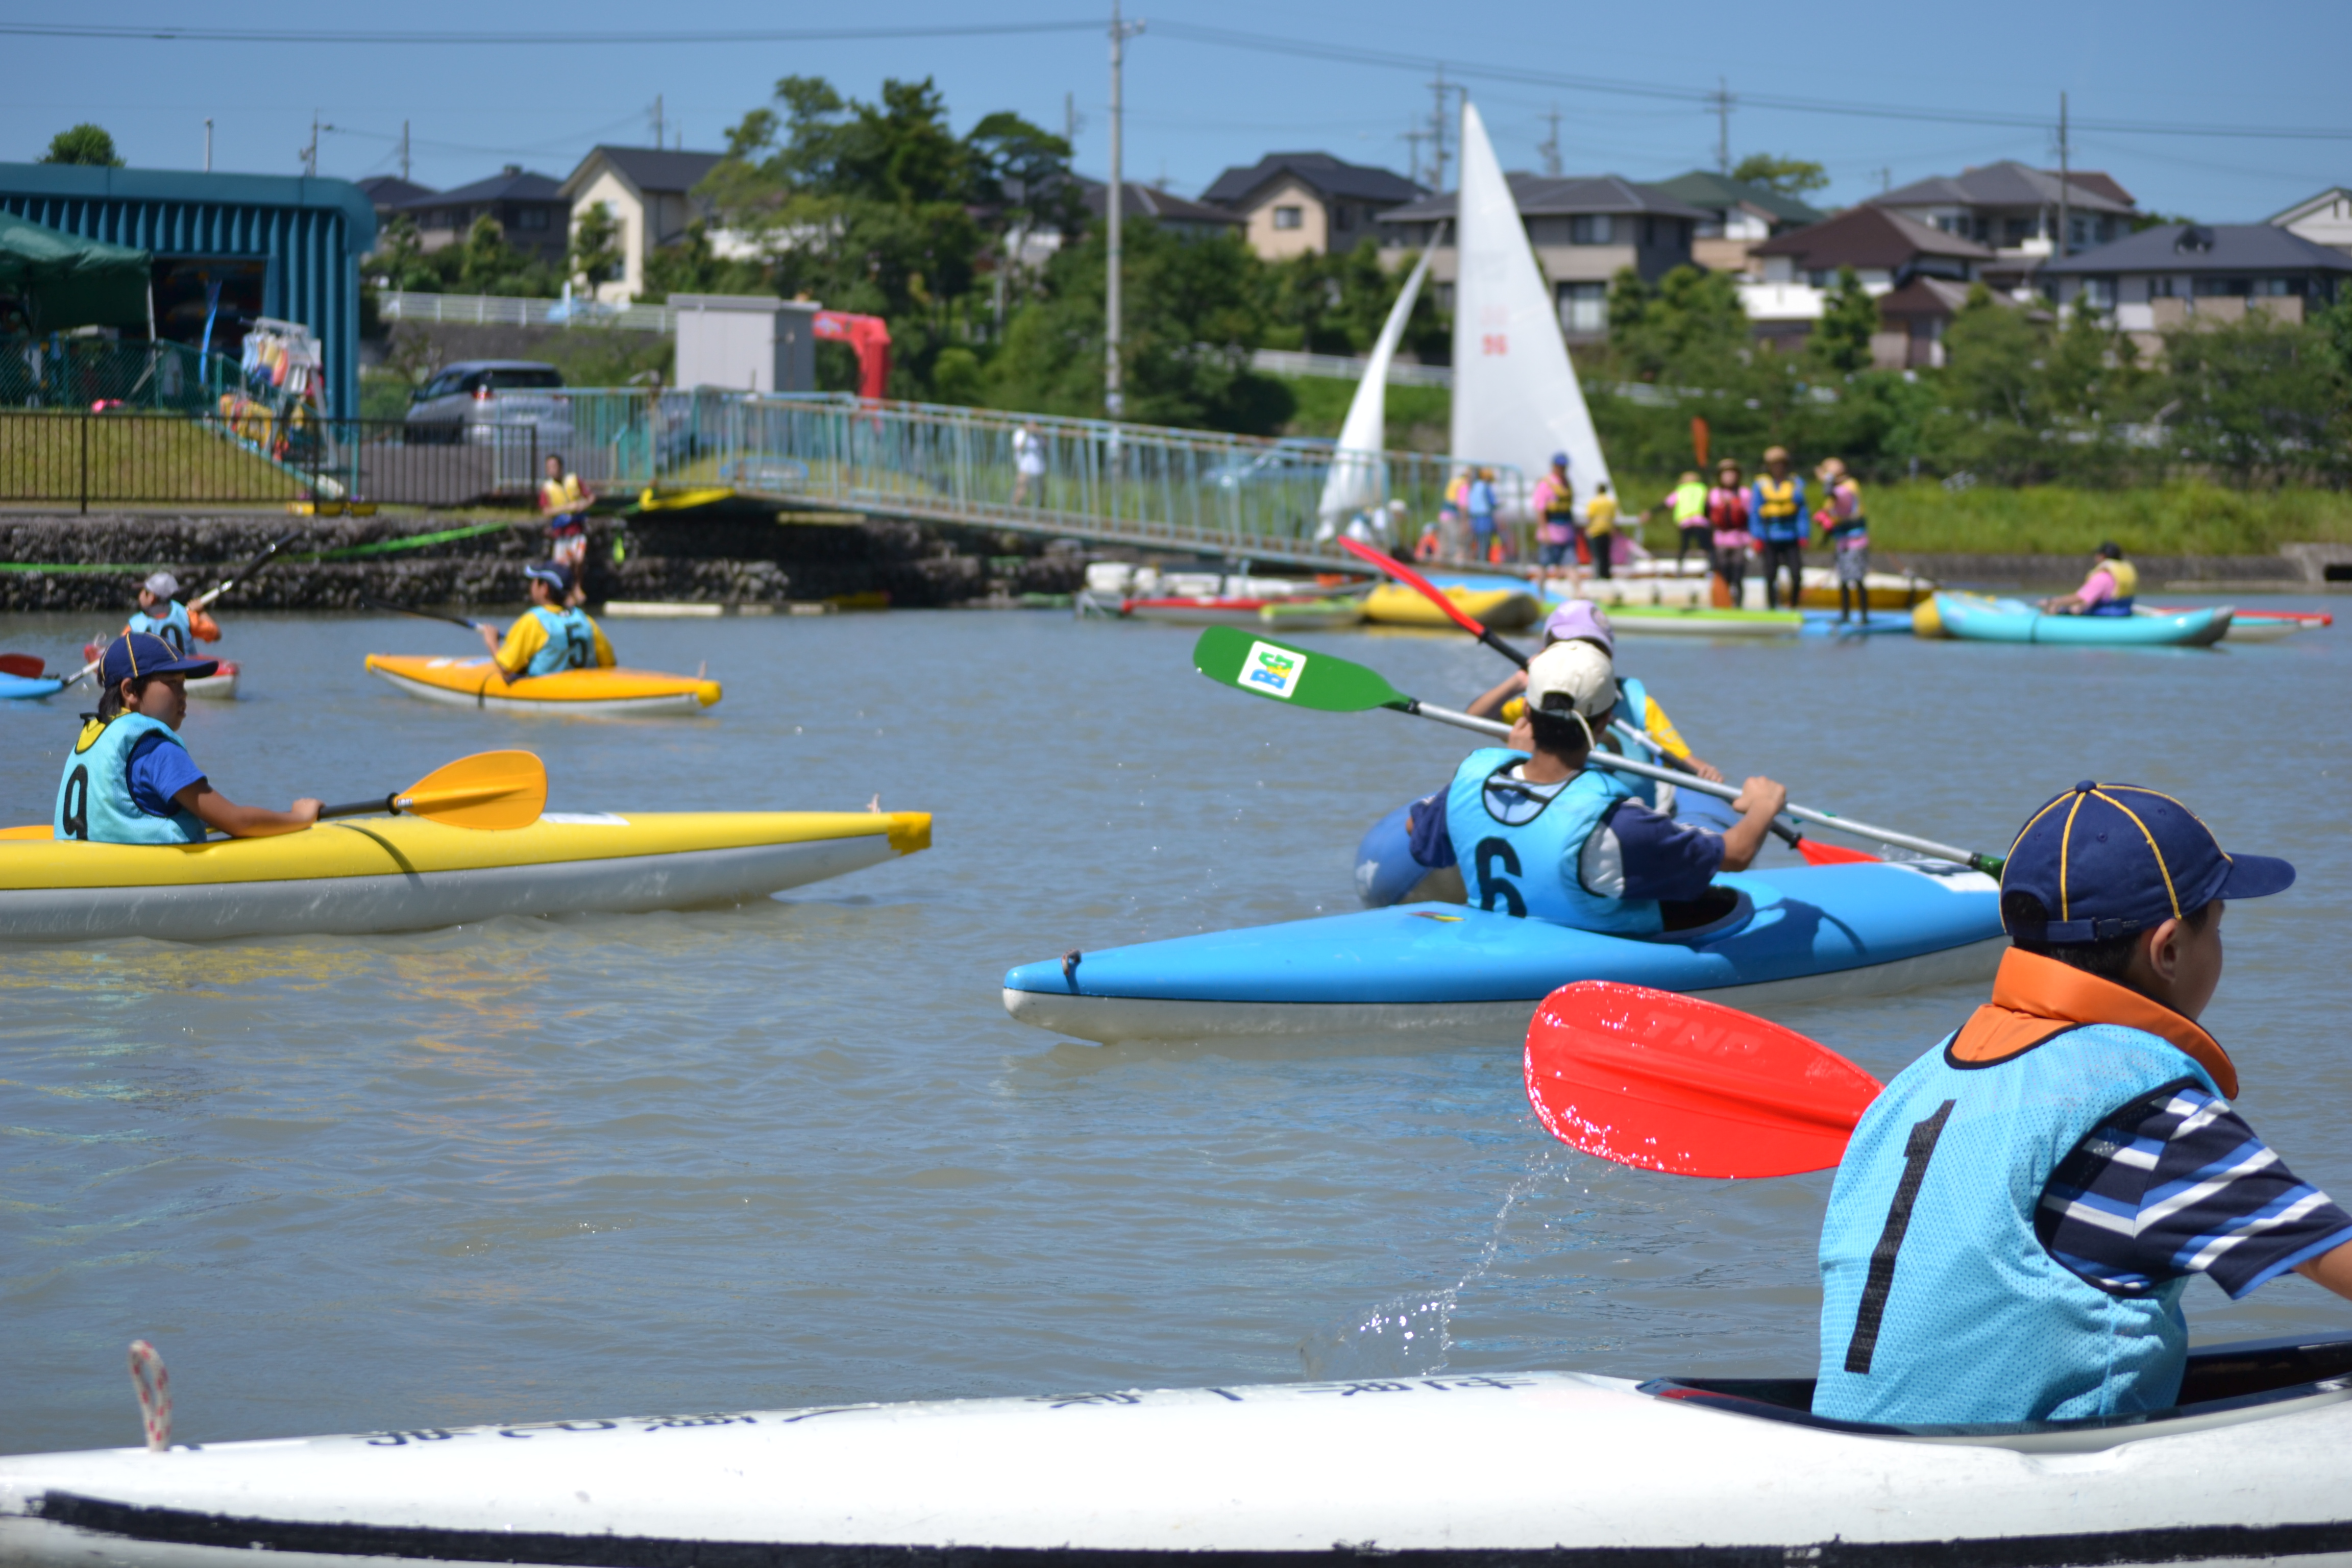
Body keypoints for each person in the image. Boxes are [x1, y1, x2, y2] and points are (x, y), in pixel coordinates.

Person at [1812, 783, 2349, 1427]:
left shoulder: (1910, 1088)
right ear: (2170, 949)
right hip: (2003, 1490)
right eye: (2219, 930)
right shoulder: (2150, 1118)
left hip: (1849, 1452)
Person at [1412, 640, 1786, 931]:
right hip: (1592, 968)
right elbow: (1736, 854)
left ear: (1526, 711)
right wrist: (1764, 805)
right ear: (1605, 722)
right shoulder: (1615, 824)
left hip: (1494, 946)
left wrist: (1513, 762)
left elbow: (1417, 828)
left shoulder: (1472, 778)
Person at [55, 633, 321, 845]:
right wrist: (298, 816)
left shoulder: (96, 735)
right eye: (173, 683)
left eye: (184, 684)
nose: (184, 695)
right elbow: (238, 822)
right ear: (130, 691)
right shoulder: (154, 749)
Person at [1467, 600, 1727, 790]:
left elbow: (1683, 758)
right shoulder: (1542, 701)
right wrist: (1518, 682)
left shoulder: (1637, 703)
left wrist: (1704, 773)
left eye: (1592, 649)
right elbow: (1475, 718)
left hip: (1630, 818)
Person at [478, 561, 615, 681]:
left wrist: (493, 642)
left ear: (544, 589)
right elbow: (609, 663)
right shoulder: (586, 620)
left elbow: (505, 668)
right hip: (584, 687)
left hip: (548, 690)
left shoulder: (533, 621)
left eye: (535, 581)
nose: (531, 585)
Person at [1749, 446, 1809, 611]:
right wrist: (1757, 537)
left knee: (1796, 575)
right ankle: (1772, 608)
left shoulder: (1795, 484)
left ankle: (1794, 607)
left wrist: (1804, 534)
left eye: (1780, 464)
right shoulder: (1760, 485)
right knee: (1770, 575)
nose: (1778, 468)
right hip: (1769, 536)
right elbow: (1755, 513)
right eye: (1774, 464)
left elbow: (1802, 512)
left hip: (1791, 536)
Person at [1812, 457, 1870, 624]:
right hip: (1842, 541)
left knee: (1857, 578)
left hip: (1856, 540)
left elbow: (1830, 492)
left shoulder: (1849, 486)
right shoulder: (1838, 489)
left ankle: (1864, 616)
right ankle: (1845, 615)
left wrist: (1827, 478)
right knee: (1843, 579)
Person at [123, 571, 218, 658]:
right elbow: (216, 634)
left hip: (153, 675)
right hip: (184, 673)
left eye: (143, 591)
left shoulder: (135, 624)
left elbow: (121, 651)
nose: (140, 595)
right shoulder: (187, 616)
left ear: (152, 597)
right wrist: (201, 612)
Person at [2040, 542, 2138, 617]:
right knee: (2076, 607)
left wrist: (2051, 602)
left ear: (2102, 557)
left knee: (2073, 609)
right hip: (2123, 612)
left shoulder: (2102, 578)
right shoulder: (2119, 574)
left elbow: (2079, 598)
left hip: (2107, 617)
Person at [1705, 459, 1752, 607]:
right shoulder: (1713, 494)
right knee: (1723, 574)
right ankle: (1722, 604)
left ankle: (1738, 606)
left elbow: (1751, 517)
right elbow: (1707, 517)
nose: (1729, 477)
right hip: (1720, 540)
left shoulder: (1745, 493)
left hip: (1740, 539)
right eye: (1726, 474)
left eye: (1732, 474)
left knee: (1738, 575)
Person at [538, 454, 595, 572]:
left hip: (578, 529)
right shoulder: (547, 488)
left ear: (561, 467)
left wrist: (584, 505)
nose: (552, 470)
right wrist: (567, 507)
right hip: (561, 533)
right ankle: (567, 589)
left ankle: (577, 587)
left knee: (579, 560)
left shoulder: (573, 480)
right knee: (562, 565)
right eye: (548, 468)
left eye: (554, 466)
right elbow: (546, 511)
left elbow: (591, 498)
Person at [1532, 453, 1579, 580]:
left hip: (1566, 532)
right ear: (1554, 466)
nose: (1562, 469)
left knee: (1571, 564)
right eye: (1560, 466)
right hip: (1551, 531)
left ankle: (1579, 594)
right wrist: (1544, 531)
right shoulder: (1546, 484)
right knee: (1544, 565)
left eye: (1564, 467)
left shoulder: (1567, 484)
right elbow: (1540, 509)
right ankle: (1539, 596)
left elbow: (1569, 510)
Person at [1661, 471, 1709, 574]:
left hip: (1687, 521)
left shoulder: (1681, 491)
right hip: (1699, 521)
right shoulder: (1702, 488)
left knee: (1685, 546)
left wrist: (1650, 513)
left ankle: (1680, 569)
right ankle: (1711, 567)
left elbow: (1666, 504)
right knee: (1705, 546)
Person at [1582, 482, 1620, 580]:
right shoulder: (1611, 502)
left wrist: (1587, 529)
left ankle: (1597, 576)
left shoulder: (1594, 502)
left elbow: (1590, 517)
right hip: (1607, 530)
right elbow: (1613, 517)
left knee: (1596, 555)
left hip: (1595, 531)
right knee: (1606, 555)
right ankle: (1607, 575)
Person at [1465, 468, 1500, 562]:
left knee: (1477, 540)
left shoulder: (1474, 486)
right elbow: (1492, 502)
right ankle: (1483, 561)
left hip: (1474, 518)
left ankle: (1476, 560)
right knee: (1485, 541)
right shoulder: (1485, 487)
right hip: (1485, 518)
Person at [1012, 420, 1045, 507]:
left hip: (1038, 468)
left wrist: (1039, 432)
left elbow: (1047, 444)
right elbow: (1019, 447)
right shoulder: (1021, 433)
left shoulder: (1039, 435)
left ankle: (1037, 513)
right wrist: (1027, 433)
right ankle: (1015, 509)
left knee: (1040, 493)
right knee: (1021, 489)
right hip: (1024, 467)